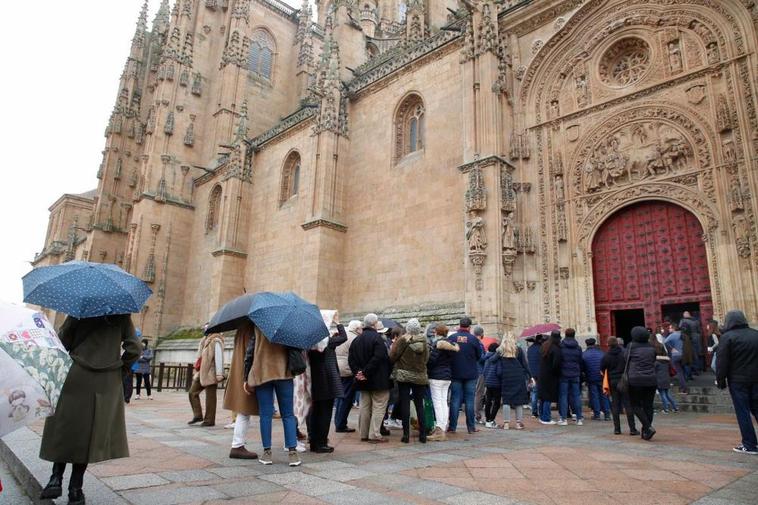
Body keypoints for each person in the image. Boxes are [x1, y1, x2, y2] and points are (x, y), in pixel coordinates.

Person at [39, 315, 140, 505]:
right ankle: (75, 490)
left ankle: (55, 479)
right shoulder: (121, 316)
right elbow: (134, 348)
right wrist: (120, 370)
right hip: (106, 380)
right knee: (91, 430)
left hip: (76, 374)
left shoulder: (79, 312)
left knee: (66, 424)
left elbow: (61, 343)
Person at [243, 325, 301, 466]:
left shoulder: (258, 328)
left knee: (265, 415)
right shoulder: (287, 328)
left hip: (263, 374)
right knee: (288, 414)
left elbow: (249, 354)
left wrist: (246, 378)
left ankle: (267, 453)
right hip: (284, 374)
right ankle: (293, 453)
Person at [716, 310, 758, 455]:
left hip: (738, 381)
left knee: (743, 412)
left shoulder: (727, 337)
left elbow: (722, 362)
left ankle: (749, 444)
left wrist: (720, 380)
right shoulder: (755, 334)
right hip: (756, 379)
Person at [349, 313, 392, 443]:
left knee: (365, 406)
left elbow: (351, 359)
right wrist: (365, 372)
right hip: (377, 379)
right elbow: (378, 358)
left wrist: (358, 372)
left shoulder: (357, 339)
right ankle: (374, 434)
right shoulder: (378, 339)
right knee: (379, 405)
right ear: (374, 324)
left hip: (363, 380)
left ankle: (364, 433)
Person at [307, 314, 347, 453]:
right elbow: (343, 337)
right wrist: (338, 323)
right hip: (328, 381)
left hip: (314, 380)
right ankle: (321, 442)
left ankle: (313, 441)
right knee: (325, 413)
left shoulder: (308, 341)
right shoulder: (326, 342)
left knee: (314, 411)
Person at [389, 318, 429, 443]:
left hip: (404, 375)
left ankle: (406, 435)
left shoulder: (402, 340)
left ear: (407, 329)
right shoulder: (424, 341)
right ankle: (422, 435)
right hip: (420, 375)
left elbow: (393, 356)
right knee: (419, 405)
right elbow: (426, 358)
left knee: (405, 404)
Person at [223, 321, 259, 459]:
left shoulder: (241, 328)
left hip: (239, 373)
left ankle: (238, 443)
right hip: (246, 375)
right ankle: (237, 445)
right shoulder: (251, 329)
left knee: (243, 411)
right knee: (244, 411)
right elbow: (251, 354)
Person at [447, 317, 483, 433]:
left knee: (455, 400)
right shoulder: (473, 339)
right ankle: (471, 427)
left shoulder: (452, 338)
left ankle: (452, 427)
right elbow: (480, 356)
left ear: (459, 325)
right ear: (469, 327)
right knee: (469, 400)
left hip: (455, 372)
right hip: (470, 373)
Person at [426, 325, 459, 441]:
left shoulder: (437, 345)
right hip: (447, 376)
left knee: (437, 403)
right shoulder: (451, 345)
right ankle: (442, 427)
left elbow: (431, 361)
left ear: (436, 332)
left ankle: (439, 429)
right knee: (444, 402)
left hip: (436, 376)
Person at [601, 336, 638, 435]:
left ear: (608, 344)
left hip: (612, 381)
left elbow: (602, 368)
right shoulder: (624, 353)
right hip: (623, 380)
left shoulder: (606, 355)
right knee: (628, 404)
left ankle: (617, 429)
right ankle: (632, 429)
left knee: (615, 405)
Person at [626, 326, 658, 440]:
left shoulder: (631, 346)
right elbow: (653, 360)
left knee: (635, 405)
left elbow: (626, 360)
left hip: (636, 380)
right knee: (648, 406)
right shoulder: (651, 347)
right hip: (651, 380)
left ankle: (648, 427)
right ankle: (646, 431)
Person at [493, 334, 530, 430]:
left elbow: (491, 360)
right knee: (519, 401)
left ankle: (506, 424)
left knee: (506, 400)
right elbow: (525, 364)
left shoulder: (501, 350)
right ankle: (518, 423)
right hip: (518, 376)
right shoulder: (518, 350)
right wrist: (530, 376)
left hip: (506, 376)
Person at [188, 331, 225, 427]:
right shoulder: (206, 340)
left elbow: (219, 358)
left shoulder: (216, 340)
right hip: (202, 372)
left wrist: (219, 374)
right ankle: (198, 415)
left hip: (211, 373)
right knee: (192, 392)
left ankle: (209, 420)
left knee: (210, 397)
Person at [334, 320, 362, 433]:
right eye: (360, 328)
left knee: (340, 397)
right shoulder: (354, 338)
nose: (362, 330)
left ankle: (338, 422)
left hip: (337, 367)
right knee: (346, 398)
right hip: (347, 369)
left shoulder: (342, 335)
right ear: (356, 329)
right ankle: (340, 424)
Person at [558, 328, 584, 426]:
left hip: (564, 373)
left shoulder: (561, 346)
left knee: (563, 396)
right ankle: (579, 418)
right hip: (575, 374)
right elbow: (580, 361)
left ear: (565, 334)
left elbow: (559, 360)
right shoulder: (578, 347)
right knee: (576, 396)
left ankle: (564, 419)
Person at [582, 338, 610, 421]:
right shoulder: (601, 353)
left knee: (594, 396)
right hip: (601, 377)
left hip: (591, 378)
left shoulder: (584, 354)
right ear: (594, 344)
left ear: (586, 344)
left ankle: (597, 414)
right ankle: (607, 414)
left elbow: (583, 367)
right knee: (604, 395)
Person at [538, 330, 562, 424]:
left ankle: (542, 416)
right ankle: (546, 418)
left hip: (542, 374)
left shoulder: (544, 346)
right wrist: (557, 373)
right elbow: (556, 364)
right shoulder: (555, 348)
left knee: (543, 396)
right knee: (548, 397)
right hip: (550, 375)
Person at [473, 325, 496, 424]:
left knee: (475, 393)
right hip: (480, 371)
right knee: (479, 394)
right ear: (481, 334)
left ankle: (474, 415)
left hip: (474, 370)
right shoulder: (479, 344)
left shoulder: (473, 342)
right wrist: (488, 354)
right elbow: (481, 358)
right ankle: (477, 416)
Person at [654, 340, 678, 413]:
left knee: (662, 394)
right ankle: (675, 407)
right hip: (667, 378)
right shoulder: (667, 360)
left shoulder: (656, 362)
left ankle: (666, 408)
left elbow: (654, 371)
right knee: (668, 394)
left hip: (659, 379)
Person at [664, 324, 688, 394]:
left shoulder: (673, 335)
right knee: (682, 371)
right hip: (683, 354)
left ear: (674, 328)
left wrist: (671, 348)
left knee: (679, 372)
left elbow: (665, 342)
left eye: (670, 328)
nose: (669, 329)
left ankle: (683, 389)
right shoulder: (682, 334)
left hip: (675, 355)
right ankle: (684, 385)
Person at [482, 343, 501, 428]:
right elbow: (499, 372)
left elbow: (484, 371)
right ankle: (491, 420)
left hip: (488, 382)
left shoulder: (486, 358)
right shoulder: (498, 359)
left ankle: (487, 420)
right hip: (497, 383)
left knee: (488, 401)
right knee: (497, 402)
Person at [526, 335, 544, 418]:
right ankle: (541, 411)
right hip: (540, 373)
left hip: (532, 373)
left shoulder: (529, 349)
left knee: (534, 393)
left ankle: (534, 412)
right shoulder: (541, 348)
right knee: (541, 394)